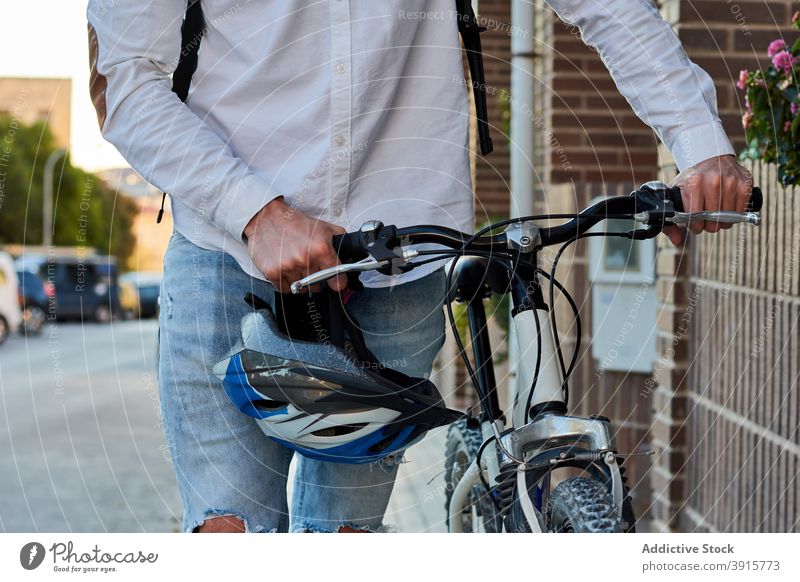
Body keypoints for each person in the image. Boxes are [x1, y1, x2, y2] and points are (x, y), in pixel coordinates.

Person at [87, 0, 752, 533]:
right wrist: (258, 213)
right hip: (228, 251)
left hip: (398, 258)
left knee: (344, 535)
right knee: (228, 529)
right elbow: (125, 77)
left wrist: (700, 144)